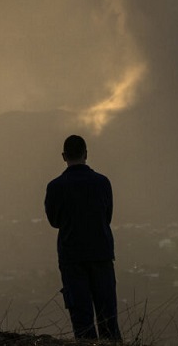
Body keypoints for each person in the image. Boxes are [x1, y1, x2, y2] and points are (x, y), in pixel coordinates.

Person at [45, 135, 121, 340]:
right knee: (108, 317)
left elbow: (54, 221)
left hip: (72, 256)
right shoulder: (102, 183)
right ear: (86, 154)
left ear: (64, 156)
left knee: (81, 318)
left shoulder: (55, 187)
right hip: (101, 254)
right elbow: (108, 217)